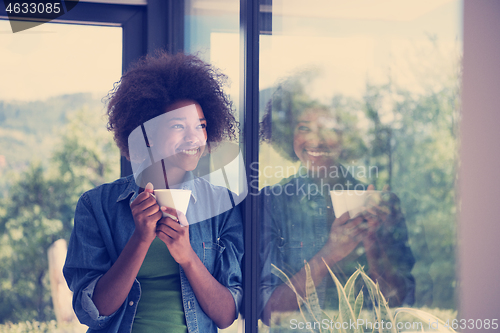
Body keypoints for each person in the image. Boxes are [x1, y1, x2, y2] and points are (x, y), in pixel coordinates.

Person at [63, 51, 244, 333]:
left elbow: (226, 315)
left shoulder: (222, 205)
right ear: (146, 133)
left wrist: (187, 256)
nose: (194, 138)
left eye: (201, 126)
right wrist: (140, 238)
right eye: (177, 125)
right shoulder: (97, 206)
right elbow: (92, 312)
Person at [259, 85, 415, 326]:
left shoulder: (382, 204)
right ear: (289, 135)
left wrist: (373, 241)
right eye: (304, 128)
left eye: (327, 129)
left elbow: (398, 304)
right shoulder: (271, 202)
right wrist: (330, 253)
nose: (315, 139)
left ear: (346, 135)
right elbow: (268, 312)